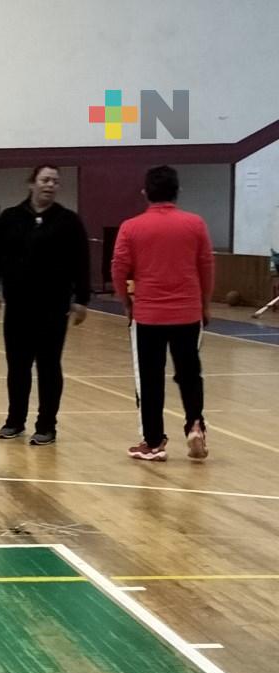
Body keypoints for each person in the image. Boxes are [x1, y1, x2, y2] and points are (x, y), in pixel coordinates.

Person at [111, 165, 215, 462]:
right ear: (177, 191)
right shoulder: (195, 224)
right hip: (187, 313)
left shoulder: (131, 227)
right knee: (189, 373)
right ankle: (195, 424)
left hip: (148, 316)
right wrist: (205, 304)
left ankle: (154, 442)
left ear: (145, 192)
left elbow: (119, 269)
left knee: (149, 379)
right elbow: (206, 266)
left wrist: (126, 303)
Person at [0, 165, 90, 446]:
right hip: (18, 306)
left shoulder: (68, 221)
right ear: (32, 183)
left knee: (49, 366)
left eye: (55, 181)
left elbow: (81, 261)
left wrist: (82, 299)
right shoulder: (10, 218)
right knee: (17, 366)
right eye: (45, 180)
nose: (50, 185)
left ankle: (46, 425)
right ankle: (15, 421)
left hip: (53, 307)